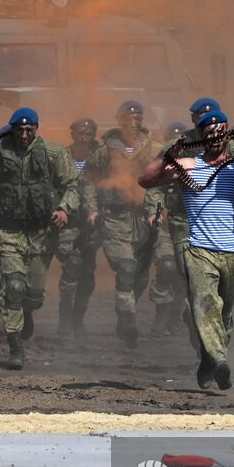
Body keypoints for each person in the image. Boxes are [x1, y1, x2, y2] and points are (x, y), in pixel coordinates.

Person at [139, 108, 234, 390]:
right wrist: (168, 157)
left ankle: (209, 361)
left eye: (220, 131)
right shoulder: (188, 166)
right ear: (199, 136)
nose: (214, 137)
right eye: (207, 133)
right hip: (199, 250)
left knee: (224, 314)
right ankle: (220, 360)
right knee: (206, 305)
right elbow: (145, 180)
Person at [0, 107, 79, 368]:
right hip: (9, 230)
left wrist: (65, 208)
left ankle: (28, 312)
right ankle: (15, 345)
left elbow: (72, 185)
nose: (23, 134)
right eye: (19, 129)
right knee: (14, 287)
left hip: (41, 232)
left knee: (34, 293)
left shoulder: (53, 153)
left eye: (29, 129)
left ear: (36, 129)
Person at [83, 100, 158, 348]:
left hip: (143, 220)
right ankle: (127, 319)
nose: (133, 124)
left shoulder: (152, 150)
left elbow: (160, 184)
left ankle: (127, 310)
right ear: (119, 122)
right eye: (128, 119)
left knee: (141, 275)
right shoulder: (104, 151)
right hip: (115, 218)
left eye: (138, 119)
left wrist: (154, 210)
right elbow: (88, 181)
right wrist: (92, 208)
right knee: (125, 267)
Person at [55, 117, 101, 338]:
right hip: (70, 223)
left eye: (90, 133)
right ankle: (64, 322)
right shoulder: (63, 156)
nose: (85, 137)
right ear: (72, 134)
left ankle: (78, 319)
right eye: (81, 133)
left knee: (88, 276)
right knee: (72, 264)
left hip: (93, 223)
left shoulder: (102, 157)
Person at [146, 122, 191, 337]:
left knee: (187, 273)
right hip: (167, 225)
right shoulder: (165, 165)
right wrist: (155, 212)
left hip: (192, 226)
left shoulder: (197, 163)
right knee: (167, 266)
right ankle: (161, 313)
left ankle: (176, 315)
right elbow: (154, 190)